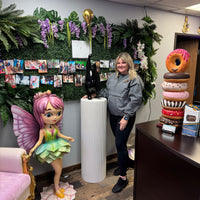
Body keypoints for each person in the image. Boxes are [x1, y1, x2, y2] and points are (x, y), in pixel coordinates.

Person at [83, 52, 143, 193]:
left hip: (125, 118)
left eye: (123, 62)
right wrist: (93, 95)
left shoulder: (134, 79)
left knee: (120, 145)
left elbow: (136, 100)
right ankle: (127, 163)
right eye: (118, 63)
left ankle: (123, 178)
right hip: (114, 116)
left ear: (129, 64)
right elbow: (107, 93)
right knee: (119, 142)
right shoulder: (113, 77)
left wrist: (126, 117)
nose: (120, 65)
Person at [11, 90, 74, 198]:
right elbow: (39, 141)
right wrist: (32, 149)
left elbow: (59, 134)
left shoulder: (54, 126)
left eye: (58, 113)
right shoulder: (43, 130)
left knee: (60, 169)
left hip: (58, 147)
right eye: (49, 114)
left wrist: (67, 138)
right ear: (40, 116)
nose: (55, 117)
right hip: (50, 150)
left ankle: (57, 186)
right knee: (58, 171)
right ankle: (56, 188)